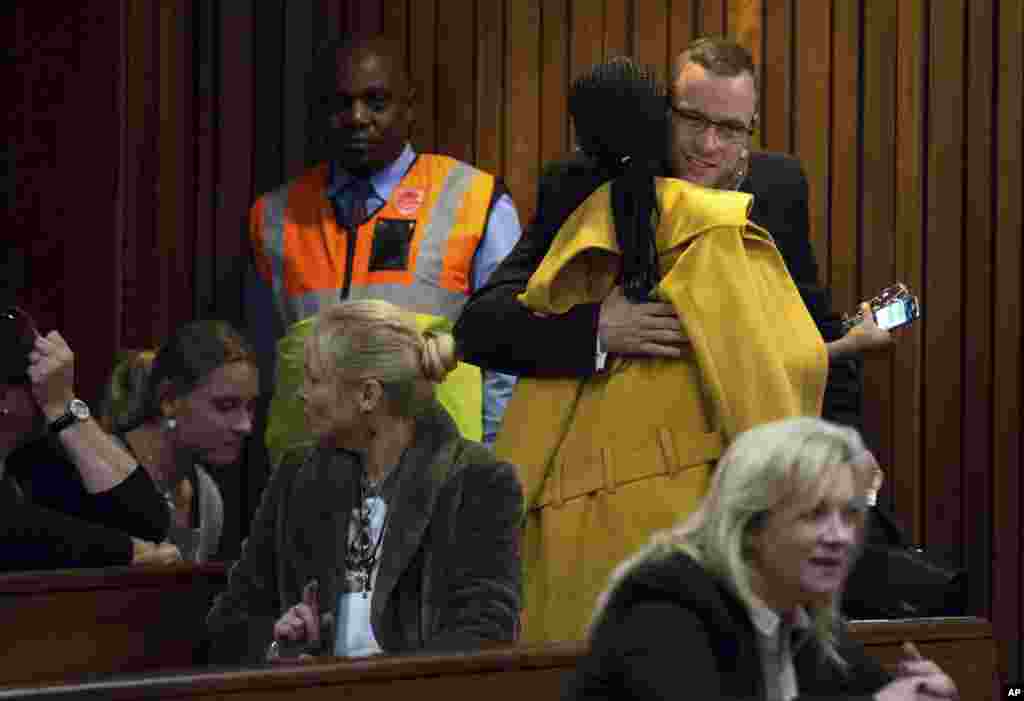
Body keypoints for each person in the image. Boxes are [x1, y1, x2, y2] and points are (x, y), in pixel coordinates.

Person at [453, 37, 892, 430]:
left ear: (750, 129)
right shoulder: (586, 182)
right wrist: (597, 331)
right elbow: (478, 328)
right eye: (693, 120)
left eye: (729, 129)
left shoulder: (778, 189)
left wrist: (846, 464)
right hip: (615, 466)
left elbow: (817, 337)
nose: (708, 145)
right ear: (665, 112)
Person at [206, 300, 523, 664]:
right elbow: (230, 621)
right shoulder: (297, 475)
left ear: (368, 395)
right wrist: (278, 645)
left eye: (314, 379)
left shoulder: (477, 480)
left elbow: (483, 636)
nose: (302, 393)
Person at [246, 34, 521, 446]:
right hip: (310, 475)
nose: (357, 117)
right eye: (342, 104)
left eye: (376, 102)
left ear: (409, 109)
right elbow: (264, 362)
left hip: (433, 474)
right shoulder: (274, 215)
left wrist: (494, 460)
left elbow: (508, 350)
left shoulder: (474, 200)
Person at [564, 418, 958, 701]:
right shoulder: (663, 609)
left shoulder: (798, 616)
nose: (840, 536)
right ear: (751, 526)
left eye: (850, 514)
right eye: (814, 514)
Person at [1, 304, 180, 571]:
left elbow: (147, 522)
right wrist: (126, 551)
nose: (44, 390)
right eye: (37, 383)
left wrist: (63, 405)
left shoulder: (30, 461)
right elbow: (12, 528)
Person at [113, 321, 260, 563]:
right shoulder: (98, 465)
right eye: (225, 406)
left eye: (250, 407)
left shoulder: (207, 497)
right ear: (169, 400)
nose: (245, 425)